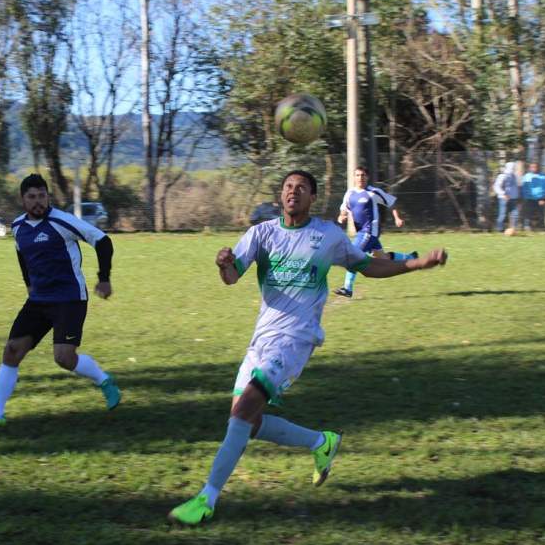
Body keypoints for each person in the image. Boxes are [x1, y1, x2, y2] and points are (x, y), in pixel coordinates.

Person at [167, 170, 448, 525]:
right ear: (280, 195)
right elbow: (232, 276)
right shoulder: (261, 233)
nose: (293, 192)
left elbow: (368, 266)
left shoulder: (327, 235)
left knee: (242, 413)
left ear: (312, 198)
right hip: (261, 339)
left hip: (296, 339)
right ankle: (321, 442)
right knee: (248, 422)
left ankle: (206, 499)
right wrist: (223, 264)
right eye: (287, 187)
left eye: (301, 188)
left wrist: (417, 263)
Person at [0, 173, 121, 431]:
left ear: (48, 197)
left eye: (42, 196)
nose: (37, 202)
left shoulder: (63, 221)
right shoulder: (18, 227)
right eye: (32, 197)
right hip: (38, 301)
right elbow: (22, 255)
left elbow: (103, 242)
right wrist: (29, 284)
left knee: (63, 358)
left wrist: (103, 279)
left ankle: (104, 381)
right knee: (12, 351)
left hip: (69, 299)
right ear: (23, 200)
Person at [333, 166, 417, 298]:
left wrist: (397, 218)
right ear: (353, 177)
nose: (360, 178)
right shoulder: (349, 194)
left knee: (352, 255)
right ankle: (411, 258)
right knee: (383, 258)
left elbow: (391, 202)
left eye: (363, 175)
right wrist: (341, 217)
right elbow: (344, 209)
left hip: (369, 232)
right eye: (357, 175)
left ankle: (347, 288)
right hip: (361, 232)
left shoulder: (373, 192)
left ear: (367, 177)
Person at [520, 162, 545, 231]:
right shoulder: (526, 176)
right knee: (528, 213)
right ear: (530, 168)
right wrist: (525, 197)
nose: (534, 168)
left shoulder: (543, 176)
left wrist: (544, 198)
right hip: (529, 198)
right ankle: (527, 226)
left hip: (540, 199)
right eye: (532, 167)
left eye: (535, 167)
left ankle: (541, 227)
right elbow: (524, 188)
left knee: (541, 213)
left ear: (538, 167)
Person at [493, 161, 519, 232]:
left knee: (515, 214)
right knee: (502, 214)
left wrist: (517, 196)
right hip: (503, 198)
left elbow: (515, 187)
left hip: (513, 198)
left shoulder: (514, 176)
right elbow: (496, 186)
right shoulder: (502, 176)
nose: (513, 169)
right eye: (512, 168)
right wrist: (503, 194)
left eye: (513, 168)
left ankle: (514, 229)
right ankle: (499, 229)